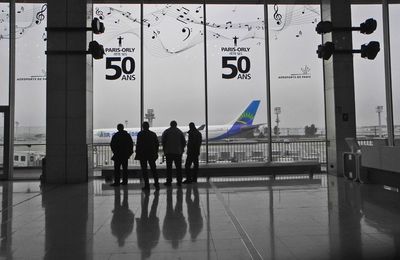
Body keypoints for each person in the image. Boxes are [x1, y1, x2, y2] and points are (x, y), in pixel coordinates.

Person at [135, 121, 160, 190]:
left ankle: (147, 185)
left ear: (143, 127)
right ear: (148, 126)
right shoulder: (153, 134)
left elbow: (138, 145)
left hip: (143, 155)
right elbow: (157, 144)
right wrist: (156, 153)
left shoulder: (140, 134)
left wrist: (137, 153)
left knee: (144, 170)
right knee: (153, 169)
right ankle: (157, 184)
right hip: (151, 154)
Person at [161, 120, 186, 186]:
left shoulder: (166, 131)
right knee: (178, 168)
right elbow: (184, 142)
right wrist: (181, 149)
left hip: (169, 152)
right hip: (178, 152)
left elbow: (163, 141)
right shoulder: (179, 132)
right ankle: (179, 181)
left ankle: (169, 181)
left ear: (170, 124)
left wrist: (165, 149)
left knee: (169, 168)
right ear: (176, 125)